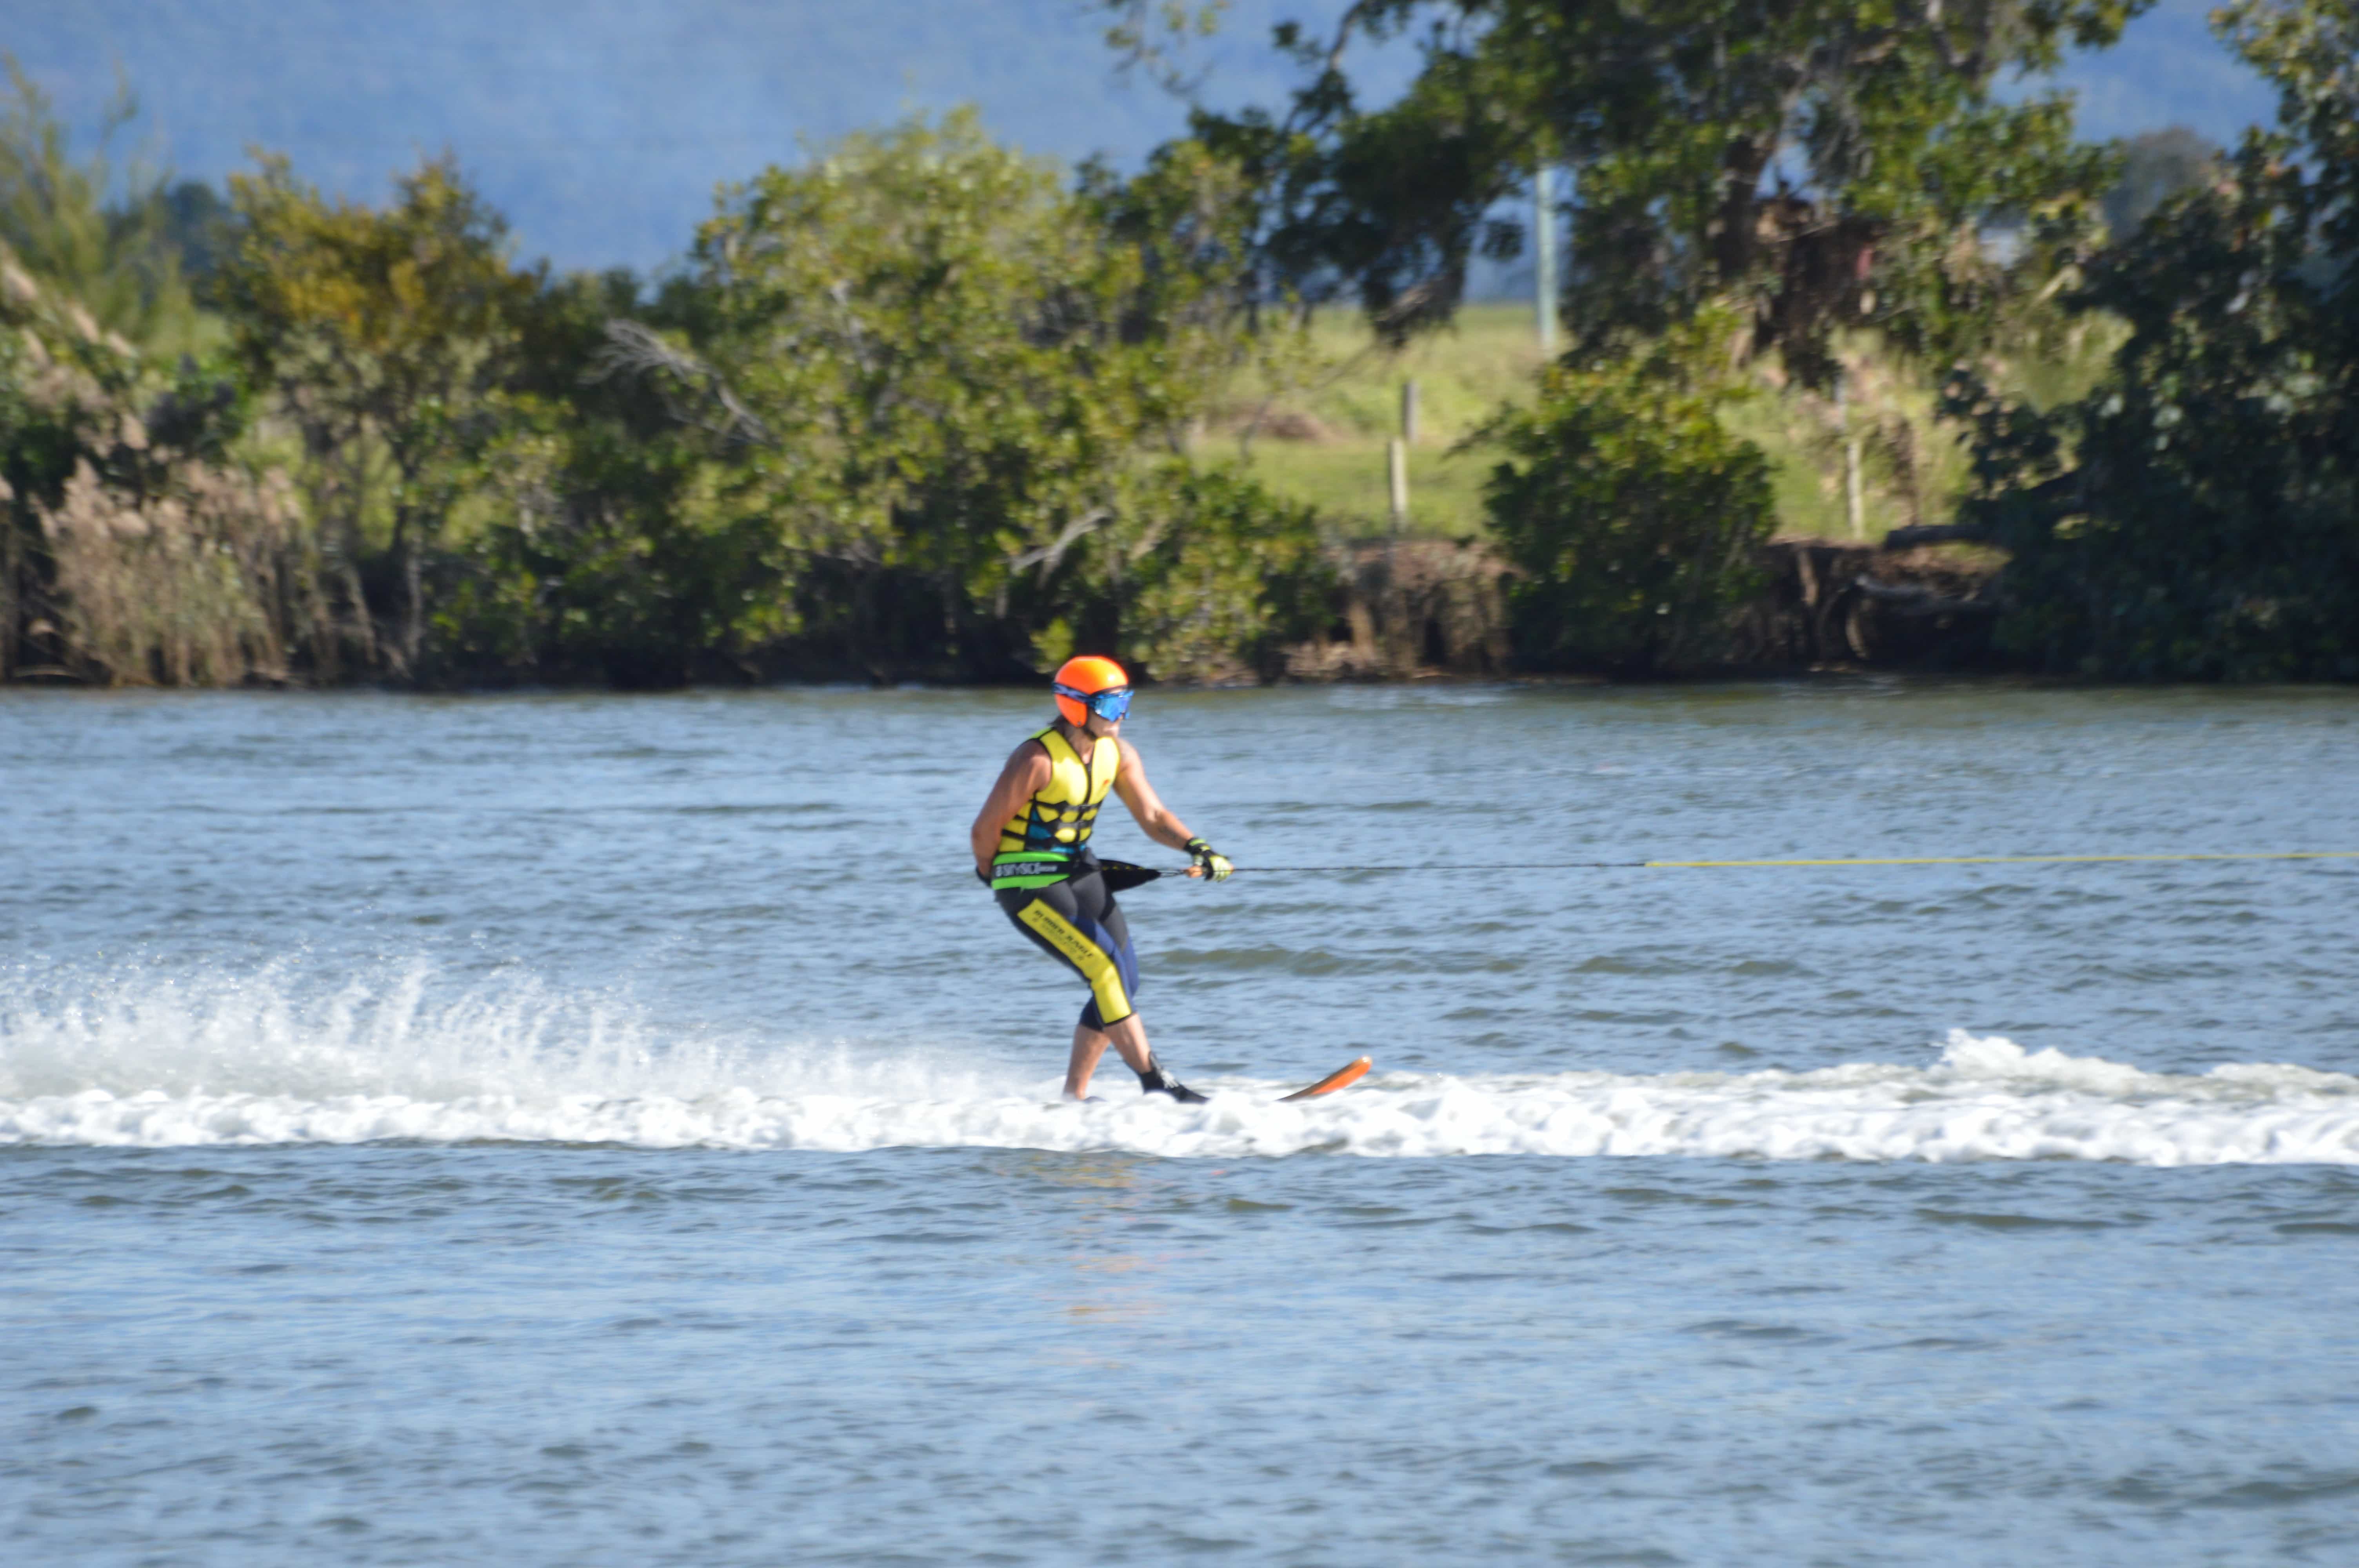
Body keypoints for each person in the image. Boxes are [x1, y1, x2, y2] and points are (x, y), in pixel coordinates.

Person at [971, 655, 1234, 1102]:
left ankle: (1072, 1098)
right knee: (1104, 970)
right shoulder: (1036, 759)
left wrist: (1199, 848)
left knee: (1124, 979)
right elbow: (984, 831)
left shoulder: (1119, 754)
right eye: (1111, 706)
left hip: (1078, 869)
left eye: (1125, 702)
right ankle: (1156, 1082)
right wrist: (996, 879)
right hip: (1027, 882)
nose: (1122, 716)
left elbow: (1152, 816)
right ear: (1076, 706)